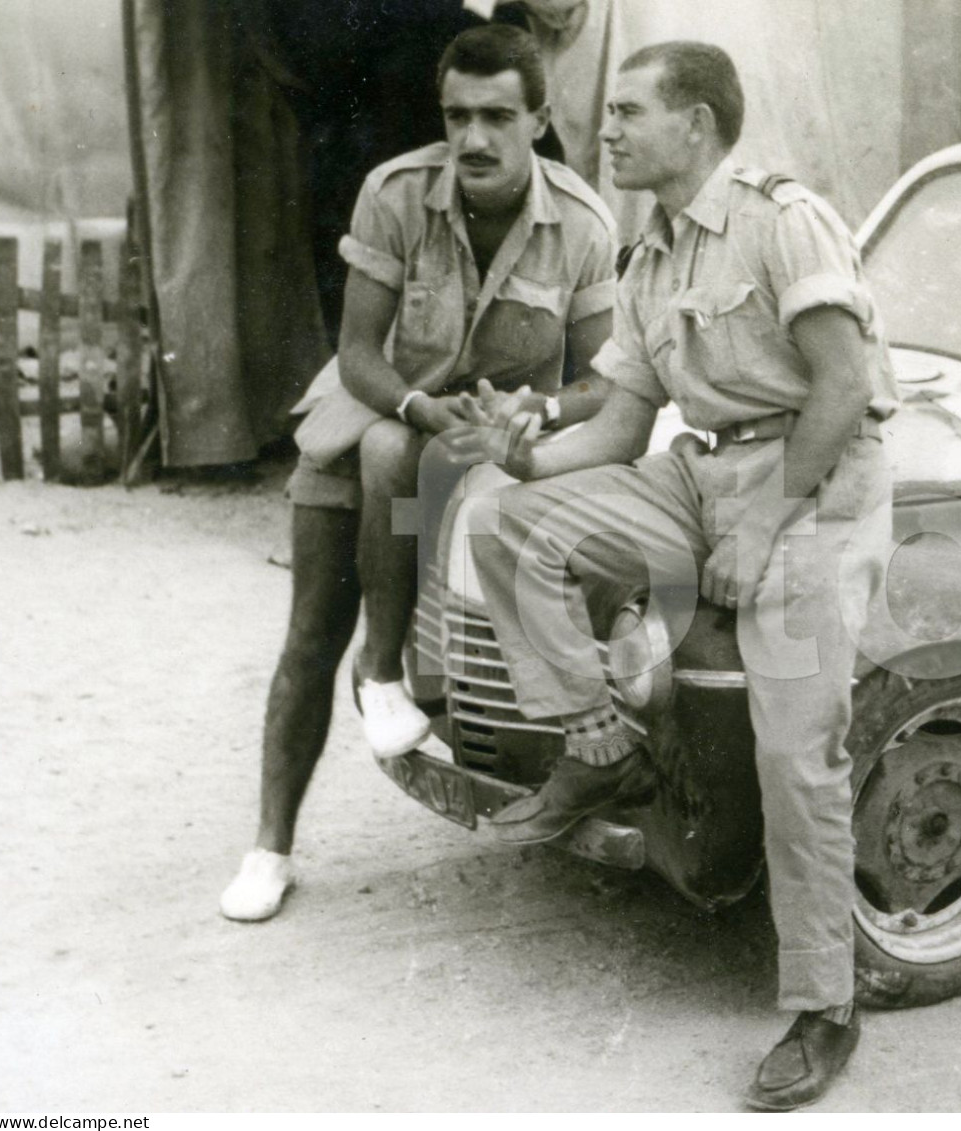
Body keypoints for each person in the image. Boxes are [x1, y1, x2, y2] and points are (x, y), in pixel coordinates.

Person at [457, 41, 897, 1111]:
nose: (602, 132)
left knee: (798, 757)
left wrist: (766, 525)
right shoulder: (646, 255)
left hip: (815, 483)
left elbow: (841, 386)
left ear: (695, 123)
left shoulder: (778, 216)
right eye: (606, 115)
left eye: (625, 112)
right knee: (512, 525)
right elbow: (614, 427)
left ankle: (822, 1006)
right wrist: (520, 458)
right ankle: (596, 742)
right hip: (700, 476)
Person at [219, 22, 618, 922]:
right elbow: (358, 353)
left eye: (498, 117)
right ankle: (272, 842)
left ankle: (515, 771)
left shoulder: (586, 223)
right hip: (380, 419)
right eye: (457, 116)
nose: (474, 139)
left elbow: (605, 380)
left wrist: (539, 410)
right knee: (311, 631)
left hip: (482, 456)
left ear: (540, 119)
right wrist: (411, 405)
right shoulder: (394, 194)